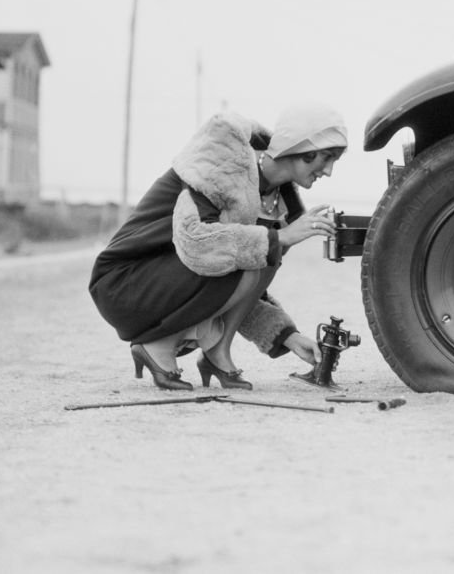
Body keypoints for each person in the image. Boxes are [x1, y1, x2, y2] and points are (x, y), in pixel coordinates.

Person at [88, 104, 346, 391]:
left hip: (169, 280)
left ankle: (217, 352)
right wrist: (279, 239)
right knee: (260, 249)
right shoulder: (223, 160)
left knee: (262, 254)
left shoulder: (279, 200)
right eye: (327, 157)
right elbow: (196, 242)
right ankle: (159, 345)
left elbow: (240, 285)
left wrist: (287, 335)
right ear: (303, 148)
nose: (330, 170)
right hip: (125, 281)